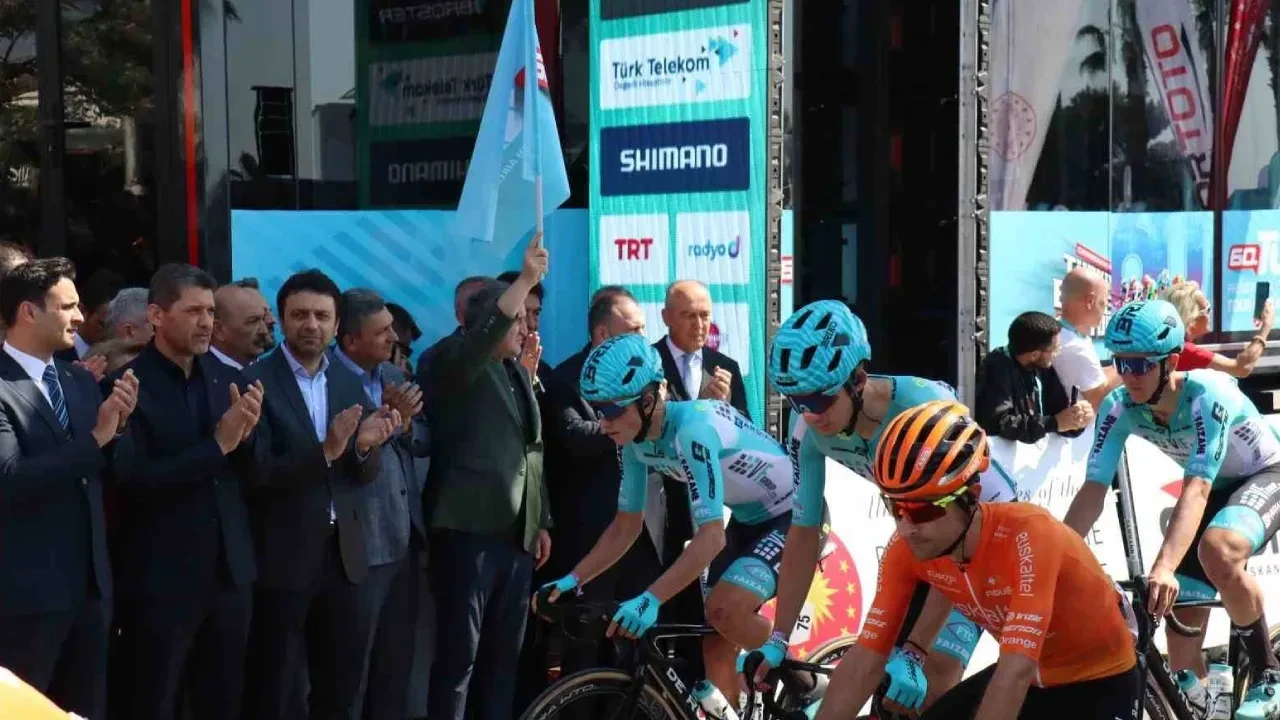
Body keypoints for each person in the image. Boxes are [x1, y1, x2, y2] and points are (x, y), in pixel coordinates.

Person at [750, 299, 1017, 711]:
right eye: (796, 401)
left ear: (857, 380)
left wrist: (917, 649)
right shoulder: (808, 428)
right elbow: (803, 531)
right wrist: (779, 637)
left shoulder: (922, 406)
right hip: (926, 536)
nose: (810, 415)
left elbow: (962, 531)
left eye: (819, 400)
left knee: (934, 675)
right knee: (870, 673)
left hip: (985, 537)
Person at [809, 400, 1140, 720]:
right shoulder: (907, 548)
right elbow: (865, 659)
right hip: (1038, 680)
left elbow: (1015, 672)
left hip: (1098, 680)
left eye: (922, 510)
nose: (906, 527)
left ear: (971, 498)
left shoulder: (1029, 536)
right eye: (894, 507)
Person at [539, 333, 823, 703]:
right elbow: (626, 526)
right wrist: (574, 579)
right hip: (749, 519)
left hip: (794, 515)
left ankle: (808, 685)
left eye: (611, 410)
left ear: (647, 401)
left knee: (724, 610)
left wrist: (650, 599)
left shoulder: (692, 429)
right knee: (714, 645)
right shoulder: (634, 443)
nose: (603, 422)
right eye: (597, 409)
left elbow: (711, 537)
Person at [1063, 299, 1280, 720]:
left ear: (1172, 363)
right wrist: (1057, 554)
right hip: (1214, 488)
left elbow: (1196, 489)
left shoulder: (1206, 396)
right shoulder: (1119, 406)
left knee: (1219, 550)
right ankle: (1207, 710)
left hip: (1265, 473)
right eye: (1121, 363)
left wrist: (1163, 566)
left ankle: (1268, 673)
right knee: (1180, 638)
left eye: (1141, 364)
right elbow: (1093, 489)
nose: (1130, 375)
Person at [242, 269, 401, 720]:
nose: (310, 325)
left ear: (335, 325)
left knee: (342, 689)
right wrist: (327, 451)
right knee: (277, 690)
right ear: (281, 320)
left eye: (321, 316)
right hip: (282, 558)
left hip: (346, 558)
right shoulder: (257, 381)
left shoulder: (349, 384)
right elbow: (256, 473)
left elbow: (361, 475)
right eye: (300, 315)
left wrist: (365, 447)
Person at [107, 264, 264, 720]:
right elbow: (131, 483)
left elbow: (254, 475)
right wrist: (217, 446)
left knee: (224, 701)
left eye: (211, 312)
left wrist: (247, 439)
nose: (205, 322)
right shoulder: (126, 387)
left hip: (230, 574)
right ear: (157, 316)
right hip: (161, 580)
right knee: (153, 701)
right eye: (193, 311)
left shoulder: (228, 379)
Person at [0, 258, 139, 720]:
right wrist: (96, 439)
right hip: (25, 595)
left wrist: (118, 430)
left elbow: (104, 471)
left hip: (90, 588)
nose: (81, 317)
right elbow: (10, 479)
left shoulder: (78, 380)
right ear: (28, 312)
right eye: (68, 306)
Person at [422, 240, 552, 720]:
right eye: (516, 320)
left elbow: (530, 450)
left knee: (502, 661)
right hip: (468, 535)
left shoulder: (514, 370)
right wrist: (525, 279)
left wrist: (540, 519)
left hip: (515, 539)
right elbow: (485, 336)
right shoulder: (451, 359)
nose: (525, 328)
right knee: (460, 658)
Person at [541, 289, 656, 678]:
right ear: (603, 334)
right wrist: (627, 426)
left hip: (641, 534)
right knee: (585, 648)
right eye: (634, 329)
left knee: (637, 646)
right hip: (589, 536)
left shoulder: (647, 378)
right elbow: (574, 438)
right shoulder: (565, 379)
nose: (643, 337)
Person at [331, 288, 427, 720]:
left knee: (395, 668)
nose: (394, 338)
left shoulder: (393, 375)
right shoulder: (327, 379)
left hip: (403, 540)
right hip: (357, 548)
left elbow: (424, 440)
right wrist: (376, 429)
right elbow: (334, 458)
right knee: (349, 675)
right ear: (350, 340)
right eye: (383, 332)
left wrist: (403, 424)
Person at [975, 310, 1094, 443]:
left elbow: (1058, 414)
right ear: (1034, 355)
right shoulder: (997, 367)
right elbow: (999, 423)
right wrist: (1052, 423)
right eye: (1054, 349)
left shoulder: (1042, 366)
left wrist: (1077, 419)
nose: (1057, 354)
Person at [1160, 280, 1272, 377]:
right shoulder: (1186, 351)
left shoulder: (1169, 344)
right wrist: (1265, 328)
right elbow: (1241, 368)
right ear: (1192, 318)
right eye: (1207, 310)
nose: (1211, 313)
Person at [1054, 268, 1119, 411]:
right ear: (1090, 301)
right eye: (1103, 303)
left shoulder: (1065, 334)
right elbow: (1099, 400)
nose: (1105, 310)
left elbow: (1094, 375)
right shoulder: (1074, 347)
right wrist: (1128, 367)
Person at [210, 278, 275, 370]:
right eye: (253, 321)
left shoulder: (274, 372)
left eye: (263, 317)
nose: (264, 330)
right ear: (218, 330)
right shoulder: (196, 373)